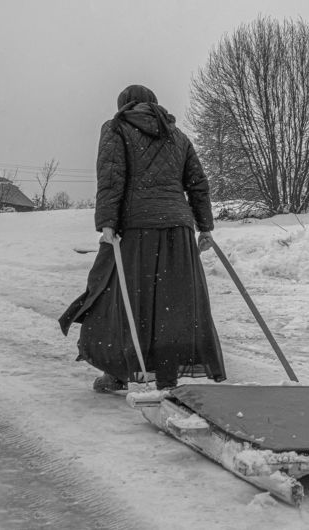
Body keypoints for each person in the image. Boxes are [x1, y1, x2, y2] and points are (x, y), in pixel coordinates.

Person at [59, 84, 226, 391]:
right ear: (154, 104)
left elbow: (110, 176)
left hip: (134, 228)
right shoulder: (178, 136)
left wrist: (107, 222)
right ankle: (167, 373)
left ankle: (118, 371)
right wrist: (205, 227)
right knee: (172, 302)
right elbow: (198, 185)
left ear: (123, 104)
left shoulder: (116, 128)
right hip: (178, 227)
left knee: (115, 296)